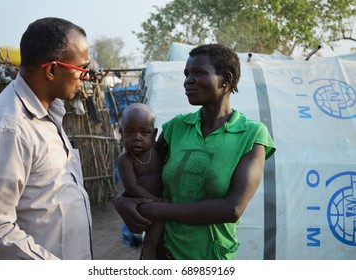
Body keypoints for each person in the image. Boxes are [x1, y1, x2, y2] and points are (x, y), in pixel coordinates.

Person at [115, 43, 276, 260]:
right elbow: (145, 174)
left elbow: (232, 209)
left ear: (226, 79)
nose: (188, 81)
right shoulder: (175, 128)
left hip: (209, 257)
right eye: (186, 74)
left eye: (198, 73)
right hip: (163, 253)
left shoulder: (251, 135)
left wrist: (158, 210)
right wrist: (122, 201)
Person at [0, 17, 93, 259]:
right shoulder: (10, 128)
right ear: (52, 69)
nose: (86, 77)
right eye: (82, 69)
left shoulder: (48, 112)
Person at [117, 103, 165, 259]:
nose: (137, 138)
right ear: (121, 133)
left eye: (144, 133)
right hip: (145, 204)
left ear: (154, 134)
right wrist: (157, 201)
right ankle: (147, 255)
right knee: (154, 231)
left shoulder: (156, 150)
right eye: (129, 132)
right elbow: (131, 187)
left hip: (161, 202)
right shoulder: (125, 159)